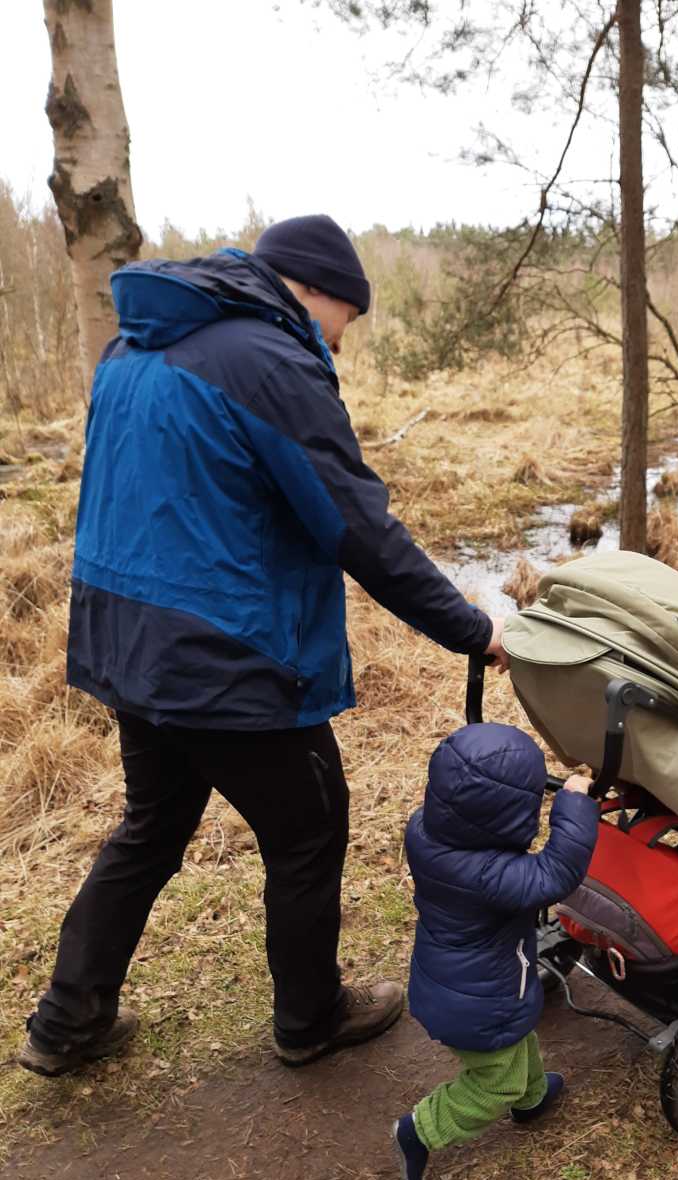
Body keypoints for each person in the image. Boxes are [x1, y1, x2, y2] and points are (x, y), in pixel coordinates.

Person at [18, 214, 507, 1078]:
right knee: (311, 828)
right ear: (316, 290)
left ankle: (67, 1018)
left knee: (154, 823)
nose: (340, 344)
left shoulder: (132, 352)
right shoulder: (269, 362)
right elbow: (357, 527)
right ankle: (310, 1017)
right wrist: (472, 628)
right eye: (345, 320)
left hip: (129, 642)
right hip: (224, 652)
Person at [391, 722, 598, 1180]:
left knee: (517, 1041)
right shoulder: (490, 876)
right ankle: (420, 1129)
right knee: (493, 1081)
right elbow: (557, 872)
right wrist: (574, 805)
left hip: (450, 982)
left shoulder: (424, 832)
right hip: (482, 1001)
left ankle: (532, 1097)